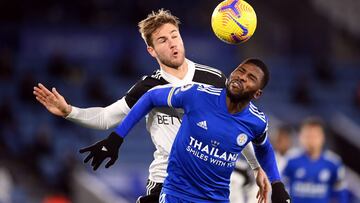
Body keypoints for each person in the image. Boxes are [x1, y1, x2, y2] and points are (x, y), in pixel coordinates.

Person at [33, 9, 268, 203]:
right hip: (165, 182)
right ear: (152, 50)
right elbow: (106, 117)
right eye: (163, 40)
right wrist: (69, 111)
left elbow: (238, 125)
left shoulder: (215, 79)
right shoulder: (148, 87)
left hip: (206, 186)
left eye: (174, 35)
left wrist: (257, 168)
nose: (172, 44)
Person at [80, 58, 291, 202]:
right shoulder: (197, 94)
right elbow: (151, 97)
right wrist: (117, 138)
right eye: (240, 71)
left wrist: (277, 184)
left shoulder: (256, 121)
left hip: (216, 199)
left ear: (257, 94)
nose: (242, 77)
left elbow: (263, 147)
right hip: (176, 194)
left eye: (251, 78)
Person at [282, 118, 348, 203]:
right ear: (300, 137)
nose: (311, 140)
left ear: (322, 137)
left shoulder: (333, 162)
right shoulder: (290, 159)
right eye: (308, 136)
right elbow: (279, 190)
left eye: (315, 136)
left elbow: (341, 194)